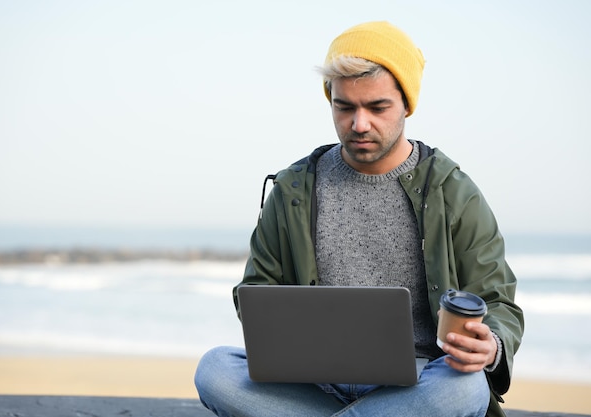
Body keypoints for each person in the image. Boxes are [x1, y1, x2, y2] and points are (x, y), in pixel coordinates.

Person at [194, 21, 524, 417]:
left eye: (377, 107)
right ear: (330, 100)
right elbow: (256, 291)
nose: (359, 124)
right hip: (310, 382)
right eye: (345, 106)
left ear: (406, 104)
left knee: (467, 388)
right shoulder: (294, 189)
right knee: (215, 368)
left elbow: (497, 300)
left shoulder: (452, 191)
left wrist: (493, 345)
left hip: (419, 383)